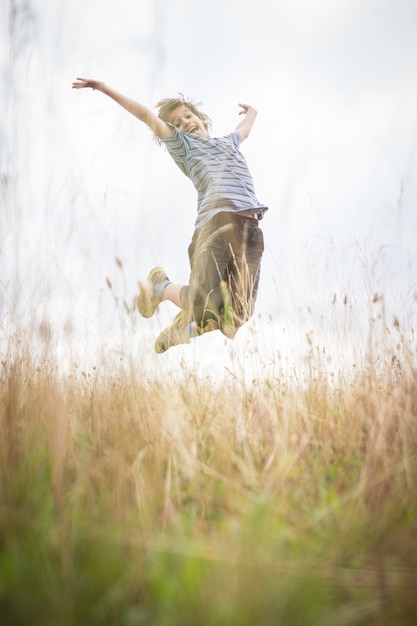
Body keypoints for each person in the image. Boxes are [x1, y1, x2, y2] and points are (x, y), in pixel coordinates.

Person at [72, 78, 267, 353]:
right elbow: (145, 115)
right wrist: (103, 88)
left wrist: (253, 112)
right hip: (216, 225)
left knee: (235, 318)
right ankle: (161, 287)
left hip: (251, 229)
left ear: (202, 119)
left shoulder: (230, 142)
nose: (185, 123)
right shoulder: (184, 146)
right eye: (177, 123)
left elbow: (243, 128)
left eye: (188, 116)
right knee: (204, 305)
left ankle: (184, 329)